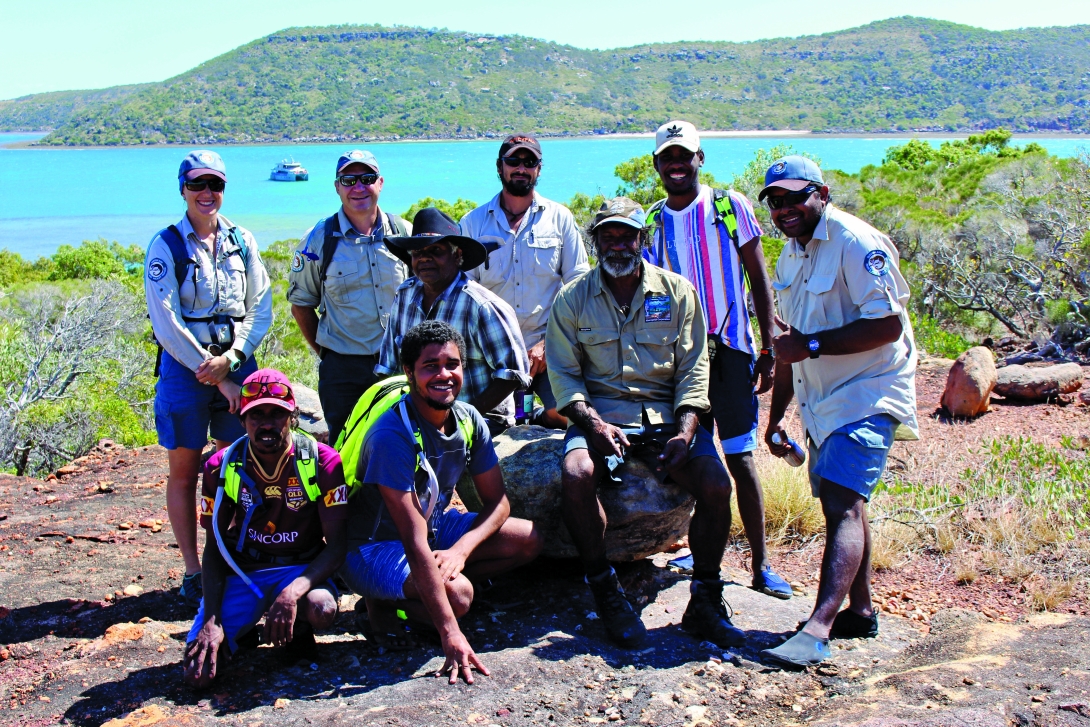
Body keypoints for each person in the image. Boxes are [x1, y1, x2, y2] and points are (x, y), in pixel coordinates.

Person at [546, 197, 746, 650]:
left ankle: (705, 601)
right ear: (595, 240)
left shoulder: (677, 292)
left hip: (666, 419)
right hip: (601, 417)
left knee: (716, 485)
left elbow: (695, 371)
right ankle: (606, 591)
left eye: (627, 235)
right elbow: (564, 375)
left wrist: (686, 432)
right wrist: (594, 425)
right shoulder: (572, 299)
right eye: (608, 235)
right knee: (576, 475)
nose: (618, 244)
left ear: (643, 239)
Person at [756, 156, 918, 668]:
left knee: (841, 504)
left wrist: (813, 346)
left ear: (821, 193)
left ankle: (818, 628)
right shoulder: (791, 256)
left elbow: (887, 326)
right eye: (776, 201)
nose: (785, 209)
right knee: (844, 499)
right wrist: (776, 416)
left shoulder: (855, 242)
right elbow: (790, 348)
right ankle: (862, 611)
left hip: (869, 391)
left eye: (795, 197)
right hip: (825, 401)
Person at [340, 320, 542, 684]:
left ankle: (419, 596)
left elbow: (499, 504)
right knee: (460, 597)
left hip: (433, 530)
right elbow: (412, 539)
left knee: (526, 538)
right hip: (372, 548)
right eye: (429, 366)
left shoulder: (467, 420)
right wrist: (450, 632)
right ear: (408, 372)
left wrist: (460, 552)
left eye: (452, 364)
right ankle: (385, 608)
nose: (443, 374)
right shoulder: (392, 435)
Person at [645, 120, 791, 600]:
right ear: (657, 165)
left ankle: (761, 564)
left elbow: (758, 273)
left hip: (729, 348)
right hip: (680, 358)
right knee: (691, 452)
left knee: (741, 456)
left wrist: (769, 344)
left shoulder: (728, 207)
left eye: (684, 156)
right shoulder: (652, 222)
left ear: (699, 160)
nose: (677, 164)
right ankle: (700, 547)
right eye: (668, 157)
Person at [145, 150, 272, 609]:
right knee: (185, 469)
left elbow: (261, 306)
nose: (207, 194)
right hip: (186, 369)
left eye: (215, 185)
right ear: (183, 189)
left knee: (247, 464)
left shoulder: (243, 240)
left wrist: (234, 357)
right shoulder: (166, 246)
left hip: (238, 362)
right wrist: (215, 373)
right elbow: (166, 322)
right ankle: (194, 570)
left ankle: (244, 551)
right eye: (198, 185)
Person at [183, 369, 348, 687]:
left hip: (300, 566)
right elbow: (215, 547)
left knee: (321, 608)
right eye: (256, 415)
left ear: (294, 415)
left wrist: (291, 593)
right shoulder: (221, 466)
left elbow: (338, 544)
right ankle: (240, 631)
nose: (267, 424)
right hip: (247, 570)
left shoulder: (321, 462)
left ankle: (299, 632)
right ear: (241, 419)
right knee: (198, 676)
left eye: (277, 413)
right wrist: (212, 620)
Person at [459, 133, 590, 428]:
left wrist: (547, 343)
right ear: (499, 166)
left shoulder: (560, 219)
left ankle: (538, 415)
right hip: (493, 358)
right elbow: (463, 295)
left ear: (539, 168)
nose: (521, 167)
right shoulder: (472, 224)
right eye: (513, 160)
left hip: (548, 353)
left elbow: (579, 287)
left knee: (574, 417)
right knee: (479, 425)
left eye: (529, 161)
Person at [287, 149, 412, 445]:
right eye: (349, 179)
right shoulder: (319, 239)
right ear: (337, 186)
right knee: (345, 451)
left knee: (402, 445)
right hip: (344, 373)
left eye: (366, 178)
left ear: (380, 183)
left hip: (397, 365)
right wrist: (329, 354)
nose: (358, 187)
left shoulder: (403, 232)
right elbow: (301, 305)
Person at [376, 208, 531, 435]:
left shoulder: (481, 306)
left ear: (457, 255)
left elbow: (512, 375)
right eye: (418, 252)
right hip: (417, 418)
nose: (425, 258)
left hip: (482, 420)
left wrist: (459, 421)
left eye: (435, 250)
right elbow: (388, 367)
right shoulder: (404, 295)